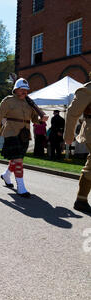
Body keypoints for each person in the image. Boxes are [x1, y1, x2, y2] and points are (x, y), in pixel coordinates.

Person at [0, 78, 48, 197]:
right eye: (22, 89)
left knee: (17, 158)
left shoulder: (30, 103)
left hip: (24, 135)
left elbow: (34, 119)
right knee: (18, 160)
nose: (24, 92)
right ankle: (21, 187)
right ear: (16, 90)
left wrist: (40, 120)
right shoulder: (8, 101)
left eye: (26, 90)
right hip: (11, 132)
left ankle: (6, 175)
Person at [64, 79, 91, 214]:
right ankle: (81, 200)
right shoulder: (87, 90)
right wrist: (68, 136)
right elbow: (72, 112)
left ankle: (81, 200)